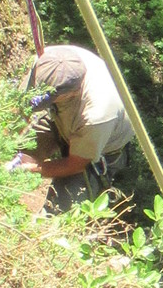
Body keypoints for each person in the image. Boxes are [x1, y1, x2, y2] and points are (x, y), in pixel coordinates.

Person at [11, 44, 132, 213]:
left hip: (98, 148)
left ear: (72, 93)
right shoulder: (48, 61)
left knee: (62, 211)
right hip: (60, 117)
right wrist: (12, 145)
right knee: (13, 150)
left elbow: (75, 163)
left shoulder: (97, 114)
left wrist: (34, 169)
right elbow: (21, 107)